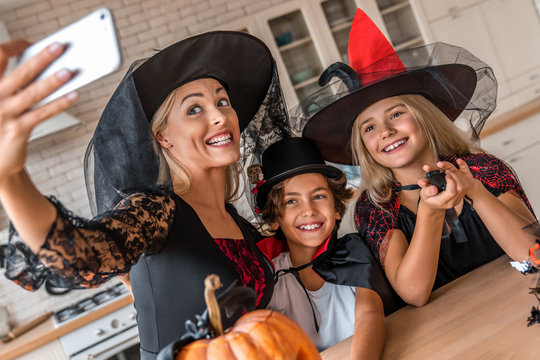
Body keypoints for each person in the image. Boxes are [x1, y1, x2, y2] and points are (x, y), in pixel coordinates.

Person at [0, 31, 291, 359]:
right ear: (163, 137)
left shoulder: (236, 221)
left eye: (222, 101)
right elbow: (75, 255)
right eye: (194, 109)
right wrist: (9, 177)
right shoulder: (156, 210)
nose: (220, 116)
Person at [300, 10, 537, 307]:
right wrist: (430, 212)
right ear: (363, 145)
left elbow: (535, 255)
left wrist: (475, 192)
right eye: (369, 127)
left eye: (396, 114)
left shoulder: (483, 171)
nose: (385, 131)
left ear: (424, 116)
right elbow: (414, 293)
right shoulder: (376, 207)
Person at [253, 137, 392, 358]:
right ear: (274, 219)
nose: (308, 210)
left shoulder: (354, 253)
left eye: (318, 196)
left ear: (337, 208)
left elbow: (370, 314)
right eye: (291, 201)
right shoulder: (270, 278)